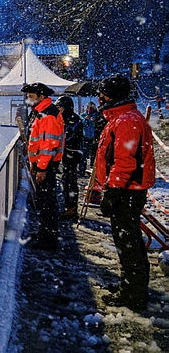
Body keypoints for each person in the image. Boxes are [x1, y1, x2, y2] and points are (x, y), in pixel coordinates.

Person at [95, 74, 155, 310]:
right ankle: (130, 287)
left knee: (128, 242)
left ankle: (133, 294)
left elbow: (125, 161)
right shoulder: (121, 117)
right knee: (127, 241)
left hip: (127, 191)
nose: (99, 97)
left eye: (103, 93)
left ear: (112, 95)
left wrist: (113, 191)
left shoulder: (126, 120)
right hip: (126, 189)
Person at [21, 82, 64, 251]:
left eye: (31, 96)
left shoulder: (47, 115)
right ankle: (45, 233)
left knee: (47, 203)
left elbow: (48, 145)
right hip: (41, 164)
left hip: (46, 166)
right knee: (44, 201)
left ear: (41, 96)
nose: (28, 99)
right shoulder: (42, 113)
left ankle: (48, 238)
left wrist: (42, 168)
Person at [55, 95, 83, 220]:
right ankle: (68, 206)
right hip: (66, 154)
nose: (59, 110)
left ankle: (71, 207)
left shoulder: (74, 119)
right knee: (65, 180)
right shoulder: (61, 118)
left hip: (73, 154)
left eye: (60, 107)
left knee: (70, 181)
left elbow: (71, 137)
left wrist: (61, 143)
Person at [81, 101, 100, 168]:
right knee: (84, 154)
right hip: (85, 136)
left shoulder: (97, 115)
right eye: (89, 107)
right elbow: (81, 124)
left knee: (94, 154)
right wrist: (86, 120)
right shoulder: (84, 115)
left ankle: (92, 167)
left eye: (92, 107)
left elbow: (98, 124)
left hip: (94, 137)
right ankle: (82, 168)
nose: (90, 109)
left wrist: (94, 121)